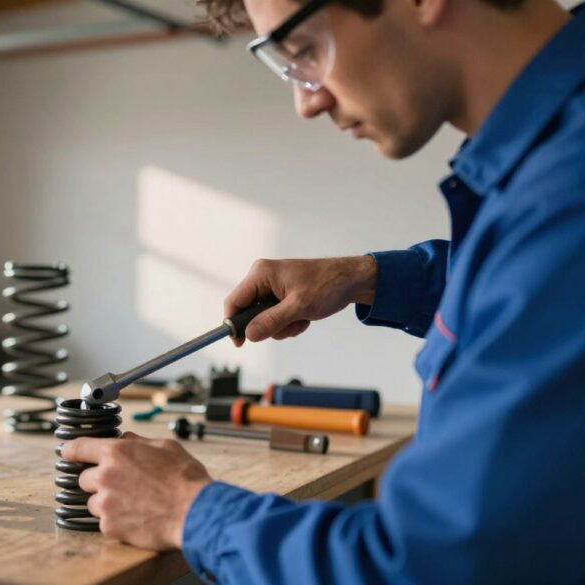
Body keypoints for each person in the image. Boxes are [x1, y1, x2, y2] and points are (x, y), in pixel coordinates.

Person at [60, 0, 585, 582]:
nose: (307, 101)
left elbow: (430, 564)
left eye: (304, 48)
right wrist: (367, 278)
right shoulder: (552, 164)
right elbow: (525, 290)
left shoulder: (566, 193)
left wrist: (188, 511)